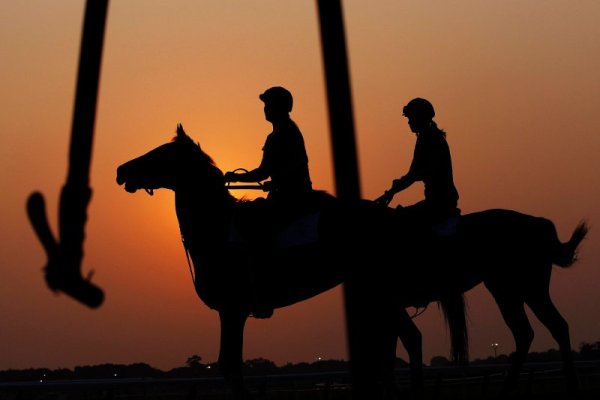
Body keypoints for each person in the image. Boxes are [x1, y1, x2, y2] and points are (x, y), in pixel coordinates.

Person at [376, 98, 459, 230]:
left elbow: (415, 174)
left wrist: (392, 191)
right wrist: (394, 190)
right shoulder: (428, 137)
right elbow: (414, 173)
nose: (409, 121)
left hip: (439, 204)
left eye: (411, 117)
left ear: (420, 117)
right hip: (438, 201)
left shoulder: (429, 139)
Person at [224, 86, 313, 207]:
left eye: (268, 104)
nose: (265, 109)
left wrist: (235, 177)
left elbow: (263, 173)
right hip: (289, 194)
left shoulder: (282, 134)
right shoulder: (282, 132)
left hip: (290, 198)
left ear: (278, 107)